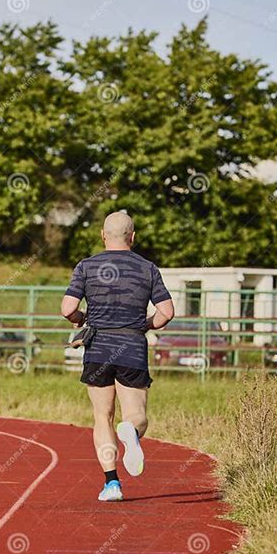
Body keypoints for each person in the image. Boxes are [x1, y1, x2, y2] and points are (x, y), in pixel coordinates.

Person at [61, 212, 174, 501]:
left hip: (98, 347)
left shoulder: (87, 266)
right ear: (132, 237)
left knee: (102, 416)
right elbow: (166, 312)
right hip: (132, 347)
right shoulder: (147, 268)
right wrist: (145, 324)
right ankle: (132, 433)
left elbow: (67, 308)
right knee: (136, 415)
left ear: (103, 235)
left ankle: (112, 484)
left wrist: (79, 318)